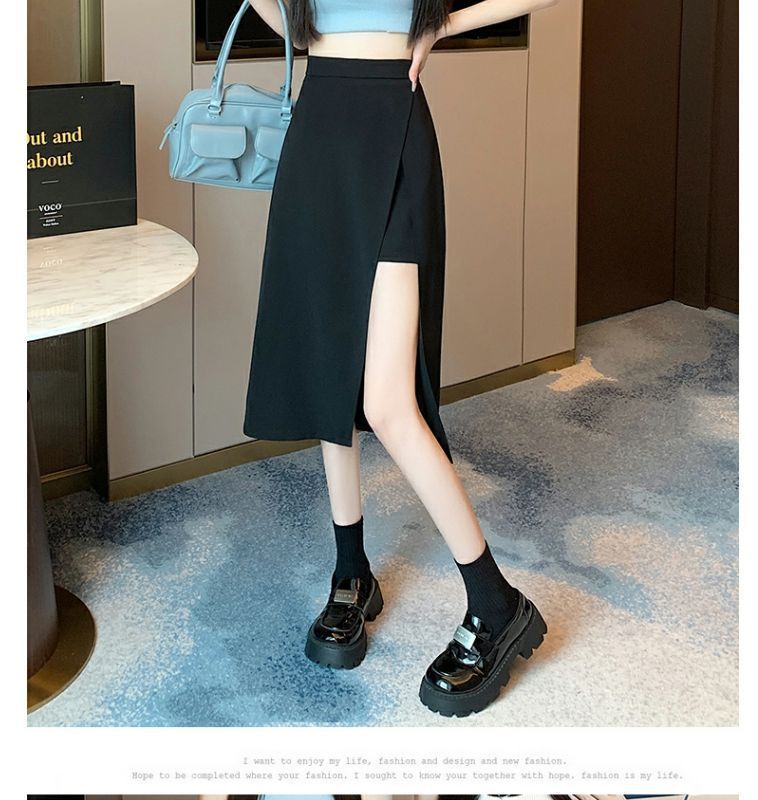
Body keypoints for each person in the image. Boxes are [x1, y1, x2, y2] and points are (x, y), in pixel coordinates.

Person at [243, 0, 557, 717]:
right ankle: (350, 571)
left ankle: (496, 603)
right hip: (319, 128)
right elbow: (285, 17)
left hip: (392, 127)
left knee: (387, 402)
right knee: (330, 365)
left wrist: (442, 25)